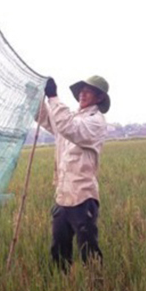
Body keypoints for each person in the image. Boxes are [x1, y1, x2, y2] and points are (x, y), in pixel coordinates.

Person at [35, 75, 110, 271]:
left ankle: (96, 286)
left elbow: (68, 127)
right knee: (58, 250)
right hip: (63, 196)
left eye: (88, 91)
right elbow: (48, 119)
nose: (82, 94)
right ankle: (62, 285)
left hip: (83, 197)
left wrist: (53, 96)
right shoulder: (73, 118)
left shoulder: (95, 122)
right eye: (81, 91)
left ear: (99, 97)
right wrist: (34, 99)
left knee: (89, 250)